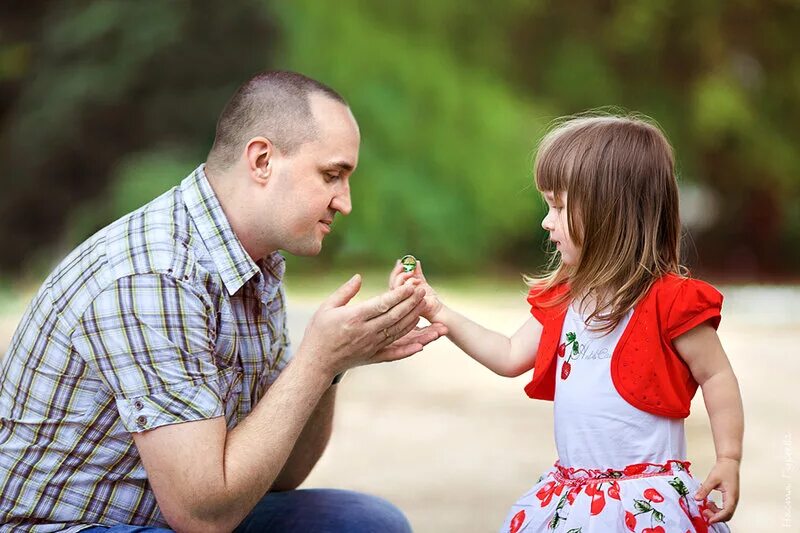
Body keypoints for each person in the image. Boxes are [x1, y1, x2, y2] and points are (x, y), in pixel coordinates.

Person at [0, 71, 447, 532]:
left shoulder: (257, 264)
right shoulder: (156, 275)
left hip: (169, 515)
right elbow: (202, 517)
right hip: (70, 526)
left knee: (366, 524)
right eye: (332, 175)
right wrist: (316, 359)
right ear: (261, 160)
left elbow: (284, 476)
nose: (344, 202)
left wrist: (332, 368)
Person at [391, 115, 743, 532]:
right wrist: (440, 312)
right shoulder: (565, 299)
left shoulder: (672, 302)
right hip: (574, 500)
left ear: (609, 211)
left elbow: (717, 375)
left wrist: (728, 458)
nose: (546, 221)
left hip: (647, 504)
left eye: (558, 206)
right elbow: (508, 355)